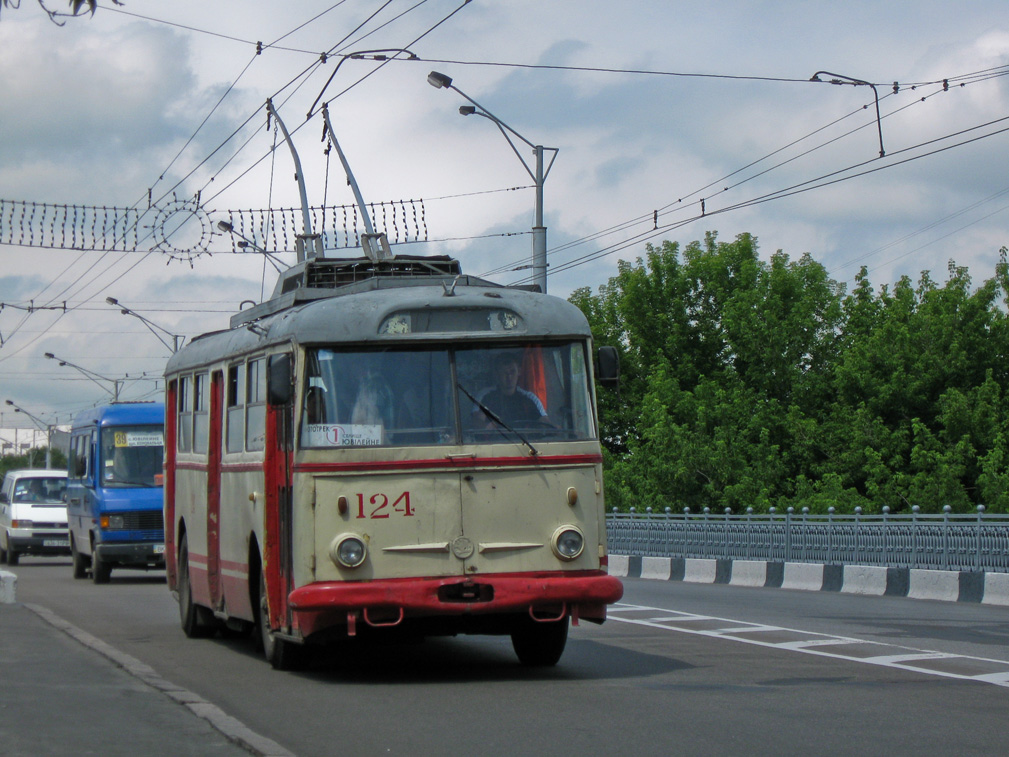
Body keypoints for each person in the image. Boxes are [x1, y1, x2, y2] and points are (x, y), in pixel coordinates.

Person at [474, 353, 547, 427]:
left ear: (519, 371)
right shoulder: (487, 396)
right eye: (504, 372)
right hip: (498, 438)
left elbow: (544, 421)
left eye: (512, 371)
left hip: (524, 438)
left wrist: (555, 428)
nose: (509, 376)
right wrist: (487, 426)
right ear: (497, 374)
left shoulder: (530, 398)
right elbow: (478, 420)